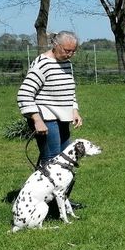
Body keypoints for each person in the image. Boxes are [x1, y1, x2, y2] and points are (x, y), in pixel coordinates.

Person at [17, 30, 85, 210]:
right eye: (66, 50)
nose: (70, 54)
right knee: (52, 162)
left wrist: (74, 110)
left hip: (62, 119)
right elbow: (24, 94)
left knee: (65, 163)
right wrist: (37, 120)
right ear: (55, 45)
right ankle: (46, 205)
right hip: (45, 119)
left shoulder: (67, 64)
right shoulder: (42, 64)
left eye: (73, 51)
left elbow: (69, 91)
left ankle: (61, 201)